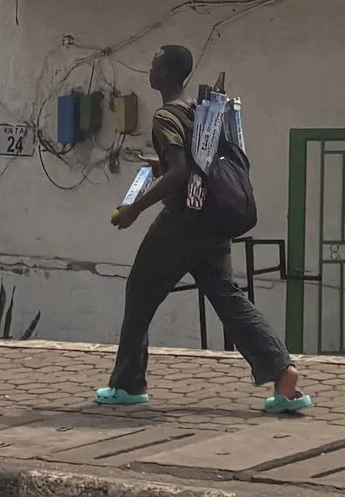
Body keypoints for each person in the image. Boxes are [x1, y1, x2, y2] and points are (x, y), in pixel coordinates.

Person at [94, 44, 308, 414]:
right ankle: (282, 373)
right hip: (214, 221)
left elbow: (180, 173)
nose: (151, 67)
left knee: (140, 291)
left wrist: (134, 209)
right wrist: (160, 164)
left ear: (166, 74)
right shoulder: (203, 111)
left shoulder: (165, 117)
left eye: (155, 62)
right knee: (228, 298)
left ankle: (128, 383)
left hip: (182, 224)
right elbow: (198, 165)